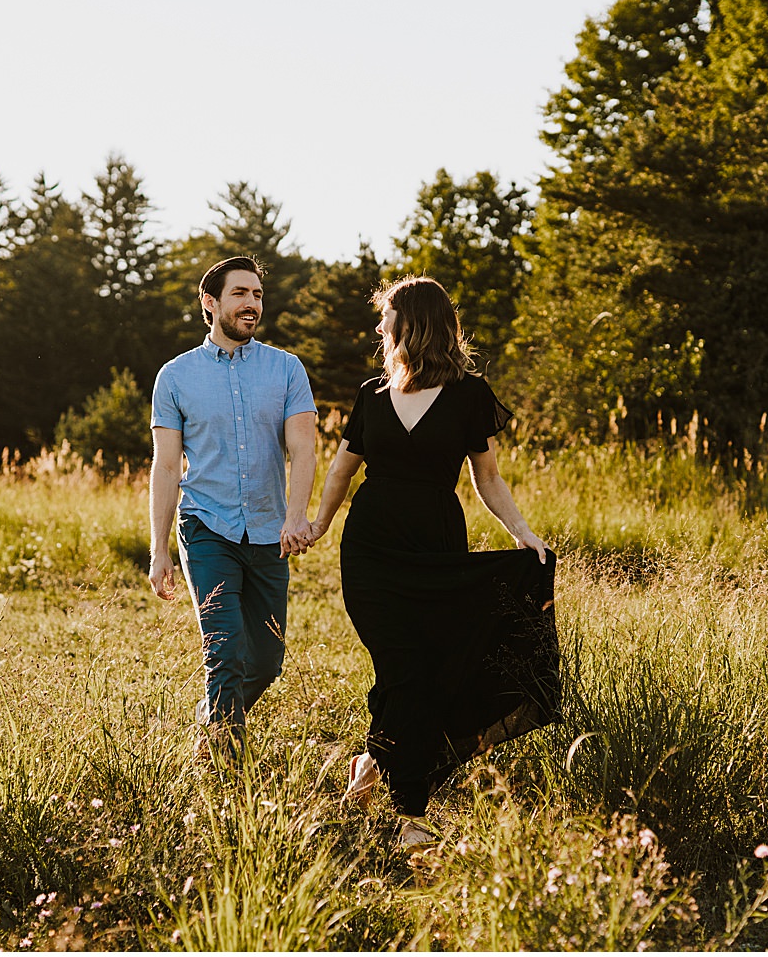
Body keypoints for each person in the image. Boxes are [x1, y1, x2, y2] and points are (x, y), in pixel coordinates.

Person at [305, 276, 561, 851]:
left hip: (437, 548)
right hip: (371, 550)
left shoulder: (470, 395)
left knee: (424, 668)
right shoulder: (371, 395)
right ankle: (411, 816)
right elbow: (342, 472)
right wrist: (317, 527)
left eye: (386, 317)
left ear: (413, 323)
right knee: (404, 666)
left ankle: (372, 764)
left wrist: (523, 534)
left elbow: (487, 478)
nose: (378, 328)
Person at [148, 254, 320, 763]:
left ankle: (210, 728)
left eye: (257, 295)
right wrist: (159, 550)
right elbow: (164, 467)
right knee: (224, 653)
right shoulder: (175, 376)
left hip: (270, 531)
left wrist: (295, 516)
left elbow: (304, 450)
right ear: (210, 302)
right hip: (206, 525)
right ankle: (227, 777)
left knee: (265, 662)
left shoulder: (286, 369)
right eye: (240, 294)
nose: (251, 304)